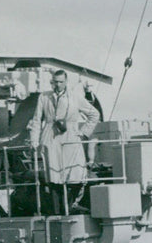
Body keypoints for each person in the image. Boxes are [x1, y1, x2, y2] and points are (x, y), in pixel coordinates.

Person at [30, 69, 100, 215]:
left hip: (71, 138)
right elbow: (36, 120)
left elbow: (94, 114)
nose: (58, 85)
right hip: (50, 138)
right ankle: (57, 212)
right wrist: (34, 140)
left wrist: (83, 134)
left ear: (66, 82)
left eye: (61, 82)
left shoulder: (75, 97)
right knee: (54, 177)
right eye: (55, 82)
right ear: (52, 82)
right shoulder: (44, 97)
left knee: (75, 175)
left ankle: (70, 205)